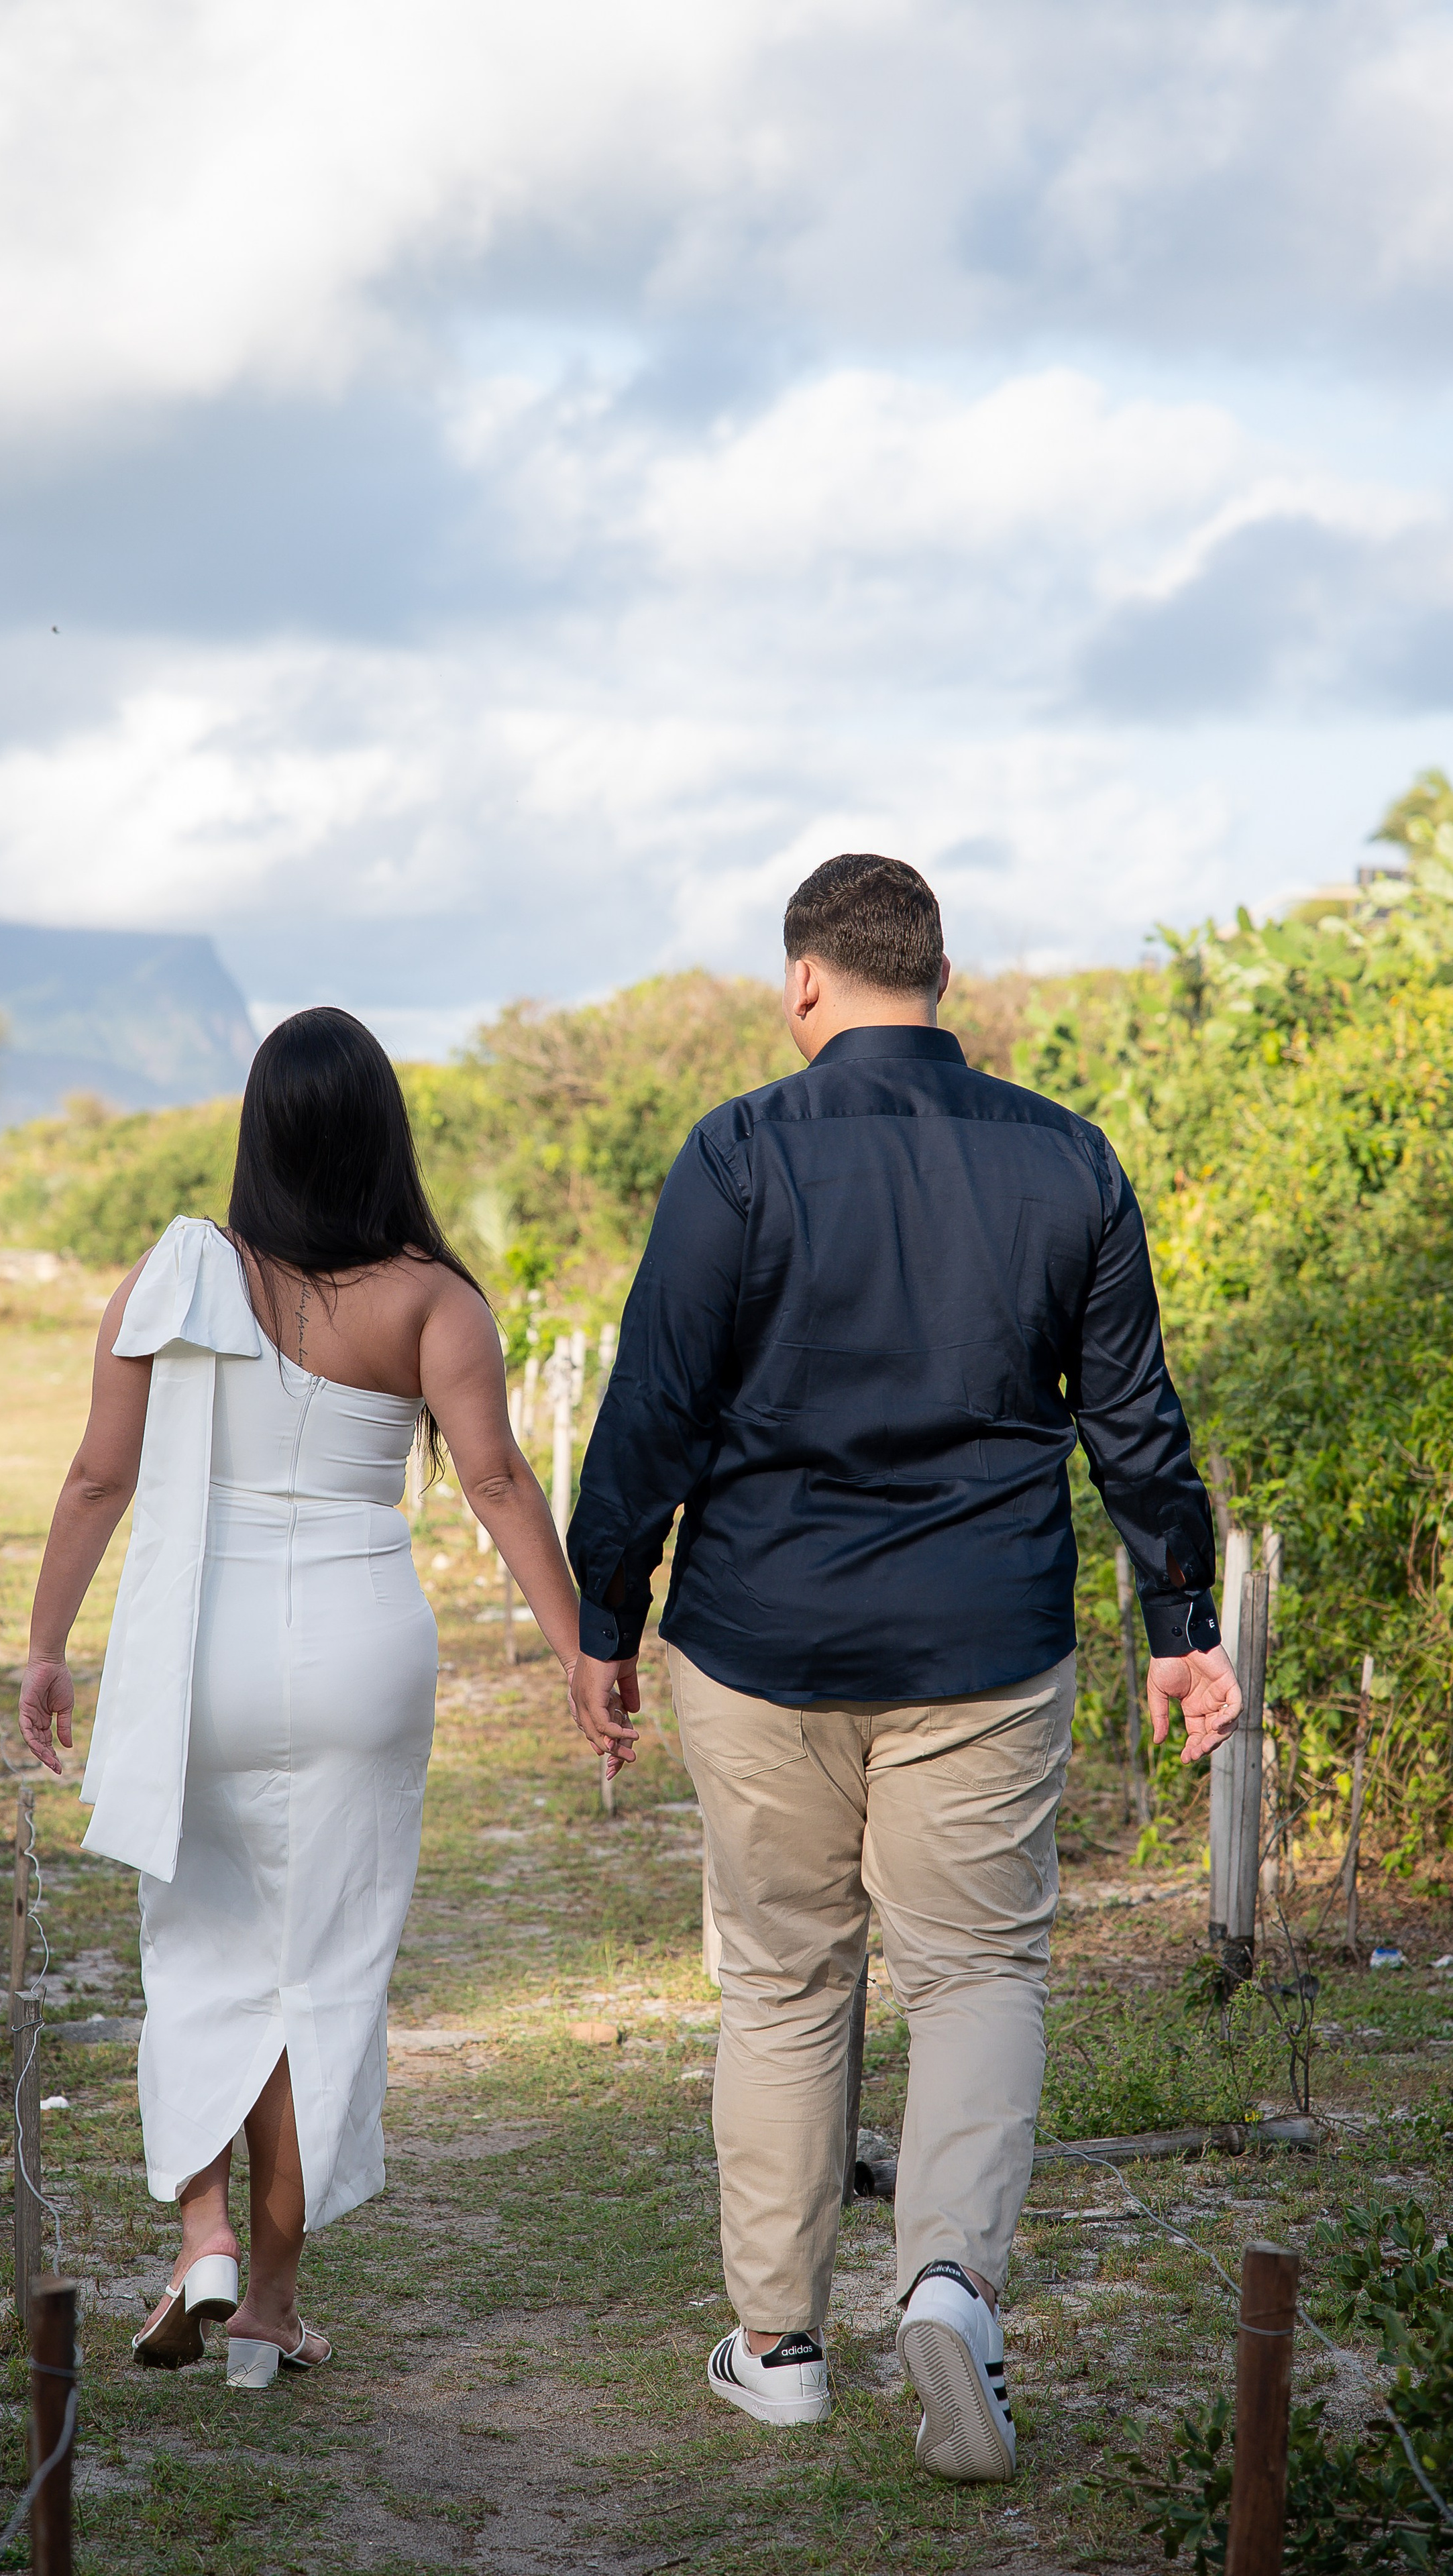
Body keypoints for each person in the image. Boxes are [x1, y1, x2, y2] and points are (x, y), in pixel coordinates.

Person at [566, 855, 1240, 2475]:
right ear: (938, 976)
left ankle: (780, 2347)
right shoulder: (1064, 1159)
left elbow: (653, 1404)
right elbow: (1131, 1419)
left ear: (806, 982)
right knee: (977, 1973)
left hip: (757, 1642)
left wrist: (605, 1618)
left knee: (787, 1980)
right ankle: (946, 2285)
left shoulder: (735, 1154)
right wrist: (1179, 1624)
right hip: (982, 1644)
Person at [19, 1008, 579, 2387]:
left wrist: (45, 1647)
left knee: (202, 1948)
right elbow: (498, 1482)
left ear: (256, 1134)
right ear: (384, 1133)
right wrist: (580, 1650)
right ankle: (269, 2309)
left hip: (198, 1662)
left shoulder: (177, 1275)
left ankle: (201, 2232)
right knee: (321, 1972)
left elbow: (100, 1477)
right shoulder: (432, 1302)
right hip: (359, 1654)